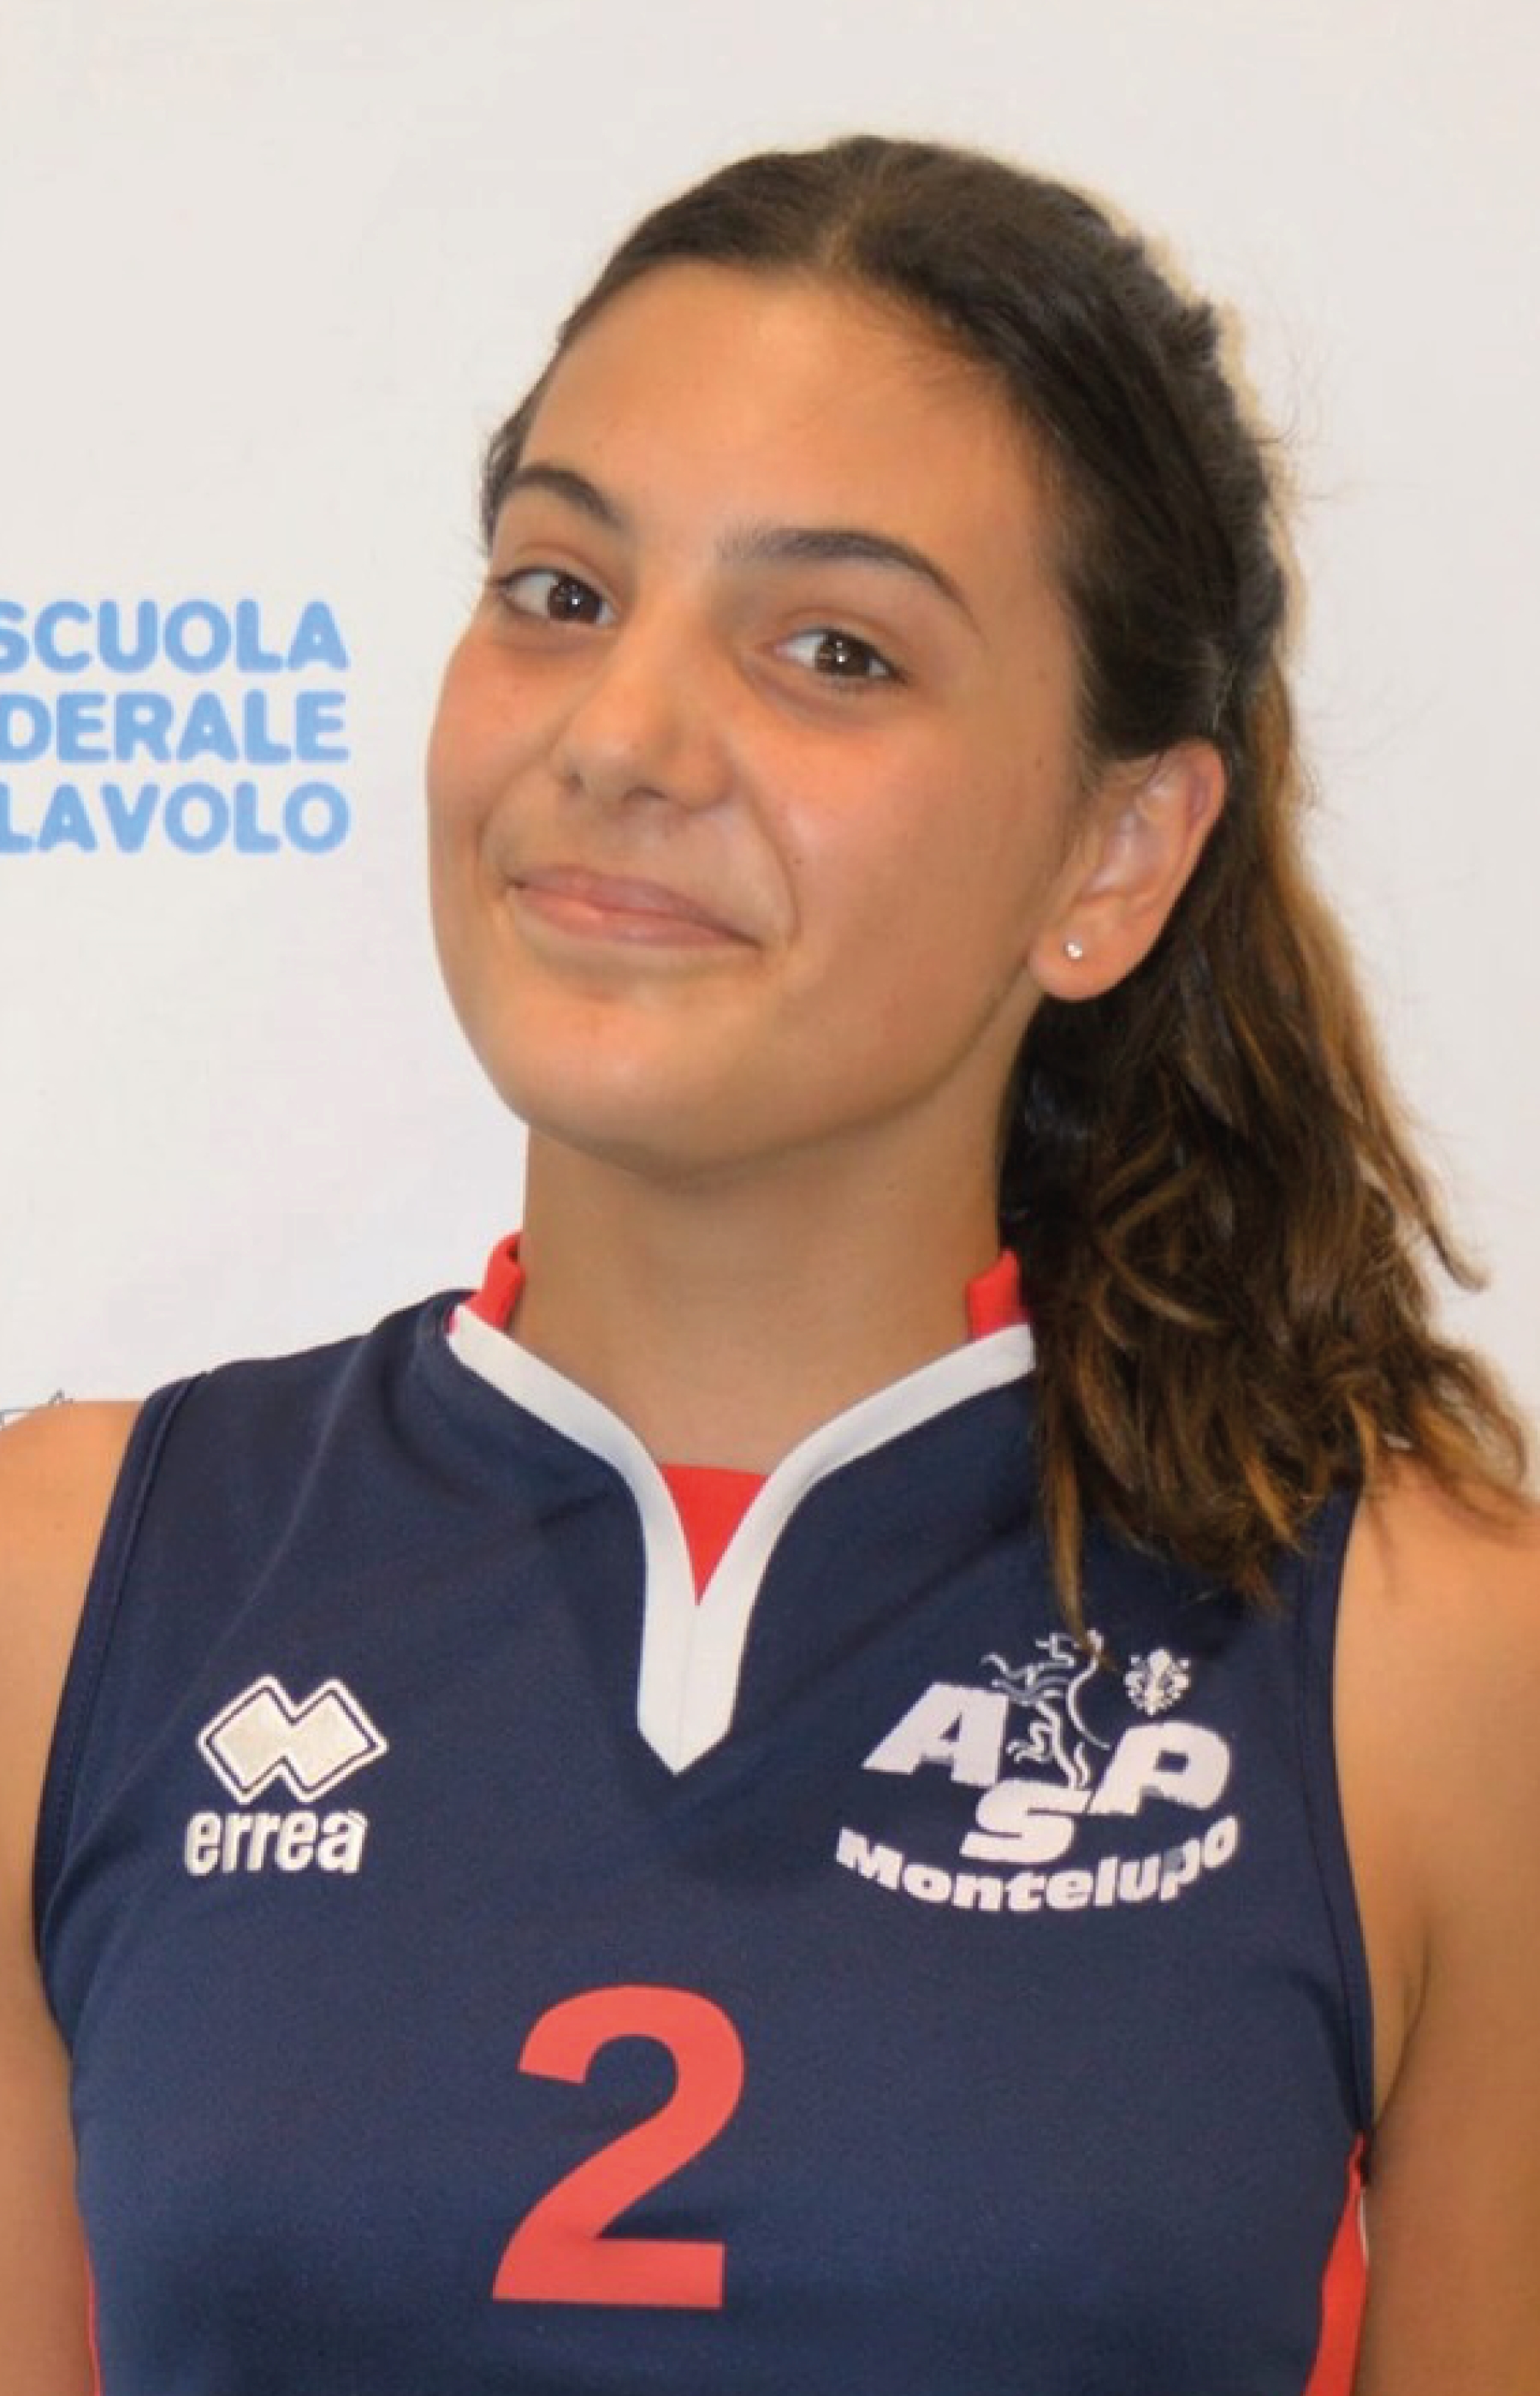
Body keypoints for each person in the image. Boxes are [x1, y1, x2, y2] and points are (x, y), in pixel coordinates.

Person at [2, 133, 1537, 2396]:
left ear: (1116, 852)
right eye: (560, 592)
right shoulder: (70, 1589)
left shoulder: (1425, 1661)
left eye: (835, 650)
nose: (623, 739)